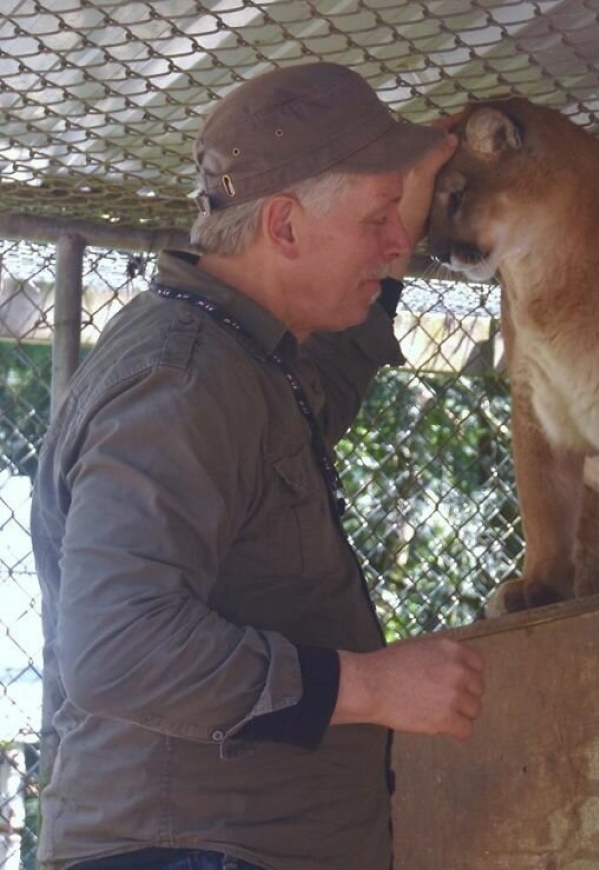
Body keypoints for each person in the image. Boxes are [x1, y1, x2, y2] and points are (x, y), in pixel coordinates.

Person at [31, 62, 485, 870]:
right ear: (283, 228)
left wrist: (391, 215)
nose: (398, 243)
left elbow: (323, 389)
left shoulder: (242, 356)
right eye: (379, 218)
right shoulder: (183, 381)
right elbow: (120, 646)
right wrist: (370, 688)